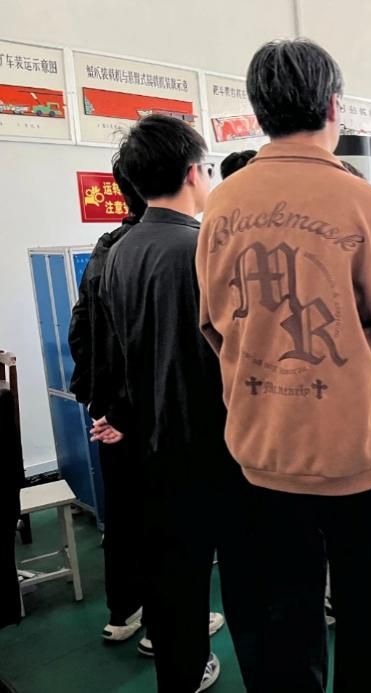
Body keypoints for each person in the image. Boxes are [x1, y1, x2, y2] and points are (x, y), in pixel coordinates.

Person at [196, 39, 371, 692]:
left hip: (265, 451)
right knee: (365, 612)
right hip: (359, 454)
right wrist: (362, 389)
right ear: (333, 107)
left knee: (286, 618)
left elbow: (214, 324)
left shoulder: (221, 205)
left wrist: (266, 387)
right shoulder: (362, 202)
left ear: (258, 112)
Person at [100, 114, 256, 692]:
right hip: (216, 444)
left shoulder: (119, 251)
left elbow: (119, 352)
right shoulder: (201, 249)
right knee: (246, 576)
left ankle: (182, 673)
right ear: (195, 172)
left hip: (153, 444)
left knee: (175, 574)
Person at [68, 160, 149, 646]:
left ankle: (124, 613)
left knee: (121, 516)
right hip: (144, 417)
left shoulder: (105, 248)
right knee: (164, 521)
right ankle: (166, 628)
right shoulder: (172, 249)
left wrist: (97, 406)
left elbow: (81, 332)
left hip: (108, 413)